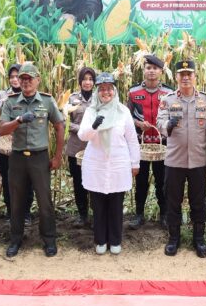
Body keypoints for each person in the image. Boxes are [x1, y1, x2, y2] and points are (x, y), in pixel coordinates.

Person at [0, 62, 66, 258]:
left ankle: (49, 240)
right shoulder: (11, 102)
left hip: (39, 158)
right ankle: (16, 239)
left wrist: (57, 156)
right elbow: (2, 130)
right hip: (18, 158)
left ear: (38, 80)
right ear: (18, 81)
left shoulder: (46, 101)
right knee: (16, 200)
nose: (26, 82)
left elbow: (59, 126)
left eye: (30, 79)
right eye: (23, 79)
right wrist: (18, 120)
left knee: (44, 201)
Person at [157, 59, 206, 258]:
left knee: (198, 201)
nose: (185, 78)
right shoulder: (167, 100)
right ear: (176, 77)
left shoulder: (205, 100)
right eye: (181, 74)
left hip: (197, 161)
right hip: (174, 161)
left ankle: (198, 239)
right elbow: (159, 123)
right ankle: (173, 238)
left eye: (189, 74)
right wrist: (168, 123)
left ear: (195, 77)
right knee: (173, 201)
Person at [78, 72, 141, 254]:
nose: (105, 93)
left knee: (115, 205)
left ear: (114, 91)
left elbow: (131, 139)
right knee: (98, 205)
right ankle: (100, 241)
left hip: (118, 164)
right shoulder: (91, 111)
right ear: (98, 92)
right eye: (102, 89)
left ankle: (115, 240)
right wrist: (94, 126)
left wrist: (134, 163)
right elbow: (83, 135)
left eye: (109, 89)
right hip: (96, 164)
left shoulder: (123, 111)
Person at [126, 54, 173, 229]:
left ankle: (164, 215)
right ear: (144, 70)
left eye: (155, 68)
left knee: (163, 181)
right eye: (148, 68)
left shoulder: (169, 93)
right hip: (141, 144)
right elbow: (126, 117)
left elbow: (174, 116)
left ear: (161, 71)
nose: (151, 71)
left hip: (162, 145)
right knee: (141, 181)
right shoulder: (133, 92)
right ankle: (139, 214)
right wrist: (138, 123)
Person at [0, 63, 34, 222]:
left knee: (27, 179)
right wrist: (6, 100)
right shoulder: (3, 94)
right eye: (12, 77)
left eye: (18, 76)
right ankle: (11, 212)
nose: (15, 79)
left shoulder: (31, 94)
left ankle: (26, 213)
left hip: (26, 143)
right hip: (5, 146)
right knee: (8, 180)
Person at [65, 66, 96, 227]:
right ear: (80, 81)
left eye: (90, 79)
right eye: (84, 79)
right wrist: (83, 130)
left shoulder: (99, 99)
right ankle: (82, 214)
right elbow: (65, 121)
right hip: (76, 147)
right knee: (79, 182)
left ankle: (96, 212)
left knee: (94, 182)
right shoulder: (72, 98)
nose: (87, 82)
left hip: (95, 148)